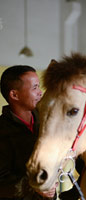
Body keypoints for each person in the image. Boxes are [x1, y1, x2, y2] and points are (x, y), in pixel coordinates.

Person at [0, 65, 57, 199]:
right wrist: (33, 187)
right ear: (14, 94)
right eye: (35, 87)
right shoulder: (2, 130)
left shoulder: (47, 121)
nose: (40, 92)